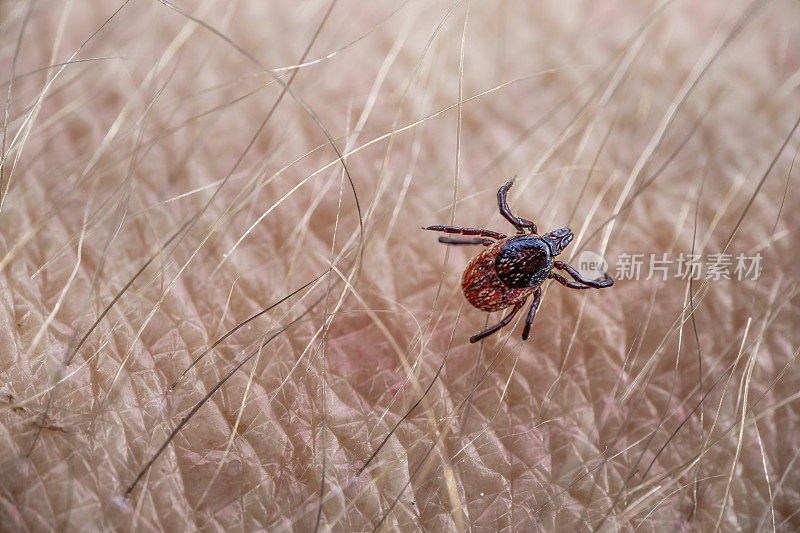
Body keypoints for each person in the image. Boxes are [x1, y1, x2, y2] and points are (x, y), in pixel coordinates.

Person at [1, 1, 798, 529]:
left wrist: (493, 264)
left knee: (493, 266)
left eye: (543, 249)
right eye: (542, 247)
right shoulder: (535, 270)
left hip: (479, 284)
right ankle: (493, 338)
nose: (542, 247)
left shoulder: (511, 245)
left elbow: (495, 217)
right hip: (485, 294)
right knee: (516, 297)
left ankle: (490, 336)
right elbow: (523, 273)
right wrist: (508, 322)